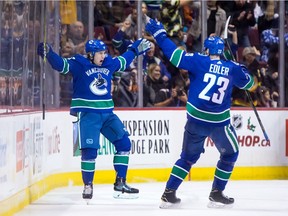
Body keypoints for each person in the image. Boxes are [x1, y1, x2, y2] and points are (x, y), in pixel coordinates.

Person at [145, 19, 255, 208]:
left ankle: (168, 193)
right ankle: (216, 193)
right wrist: (242, 70)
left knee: (187, 158)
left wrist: (160, 35)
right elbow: (250, 85)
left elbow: (173, 55)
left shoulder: (198, 60)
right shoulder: (231, 67)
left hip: (195, 120)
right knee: (230, 154)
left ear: (206, 50)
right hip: (219, 123)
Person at [37, 38, 151, 201]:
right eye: (99, 53)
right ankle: (88, 185)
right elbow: (61, 65)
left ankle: (120, 183)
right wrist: (49, 53)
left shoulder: (109, 63)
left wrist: (133, 50)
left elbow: (122, 61)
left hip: (108, 115)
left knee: (124, 143)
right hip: (88, 114)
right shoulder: (79, 63)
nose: (103, 56)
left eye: (104, 52)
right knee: (90, 152)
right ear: (90, 55)